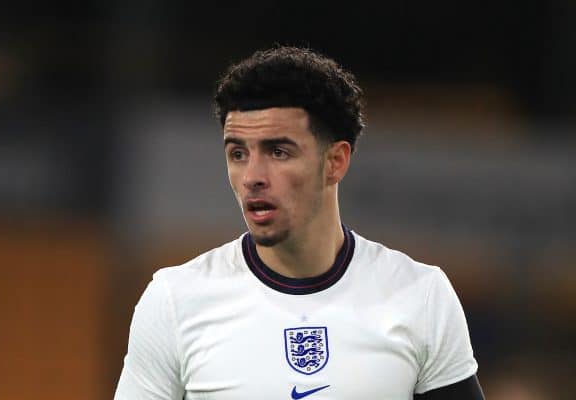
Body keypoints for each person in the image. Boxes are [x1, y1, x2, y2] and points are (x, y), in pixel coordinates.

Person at [114, 46, 485, 400]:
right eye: (238, 153)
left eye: (278, 151)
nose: (252, 176)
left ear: (335, 161)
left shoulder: (420, 296)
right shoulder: (175, 301)